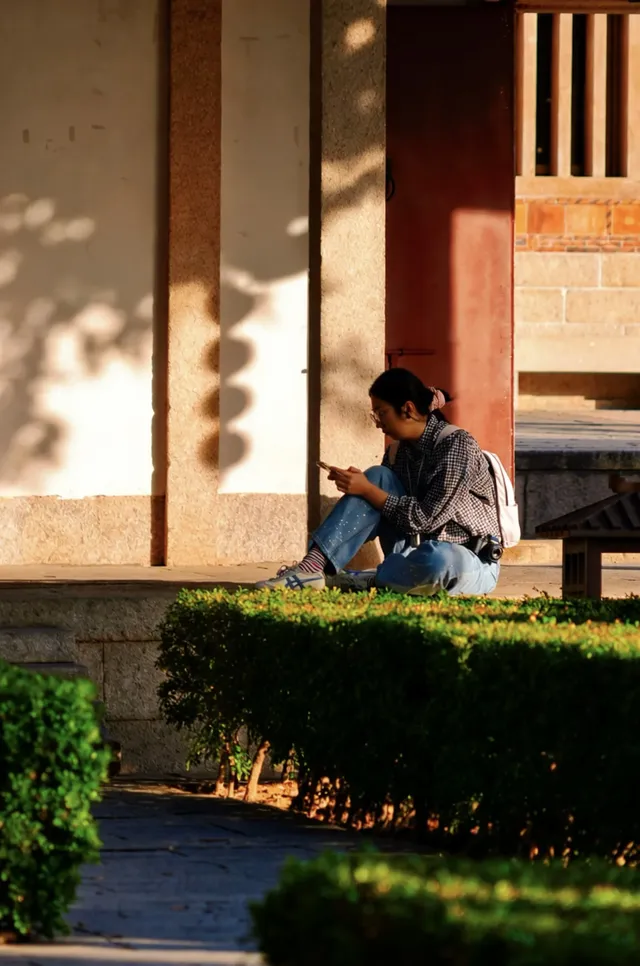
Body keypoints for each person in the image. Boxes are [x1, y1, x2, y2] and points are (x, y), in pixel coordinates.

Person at [257, 368, 501, 596]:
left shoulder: (457, 445)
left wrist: (367, 490)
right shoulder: (397, 452)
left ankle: (376, 578)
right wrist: (362, 486)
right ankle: (311, 568)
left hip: (468, 559)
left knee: (439, 562)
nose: (377, 422)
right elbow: (379, 508)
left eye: (381, 412)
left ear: (407, 409)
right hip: (409, 552)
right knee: (376, 476)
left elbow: (425, 519)